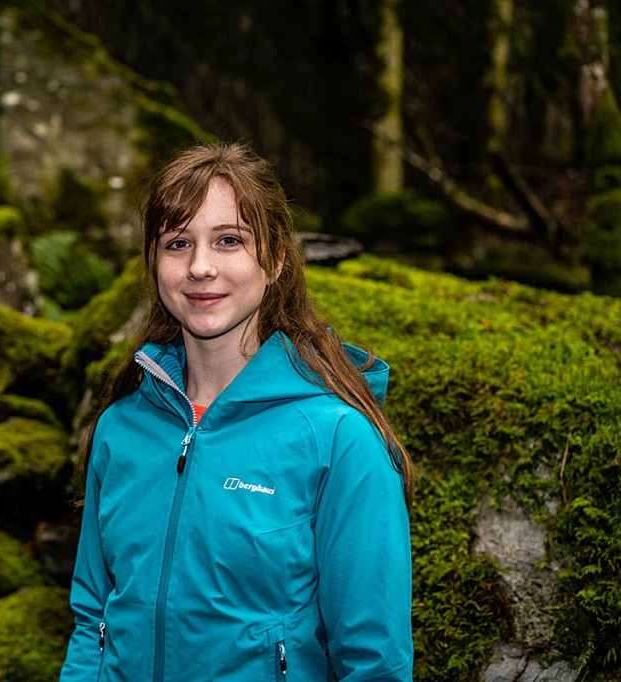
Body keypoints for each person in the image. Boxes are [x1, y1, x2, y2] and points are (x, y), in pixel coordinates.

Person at [59, 142, 415, 681]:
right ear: (154, 262)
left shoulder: (339, 438)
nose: (200, 267)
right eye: (178, 243)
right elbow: (92, 618)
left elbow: (376, 663)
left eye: (229, 240)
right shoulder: (120, 427)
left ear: (274, 260)